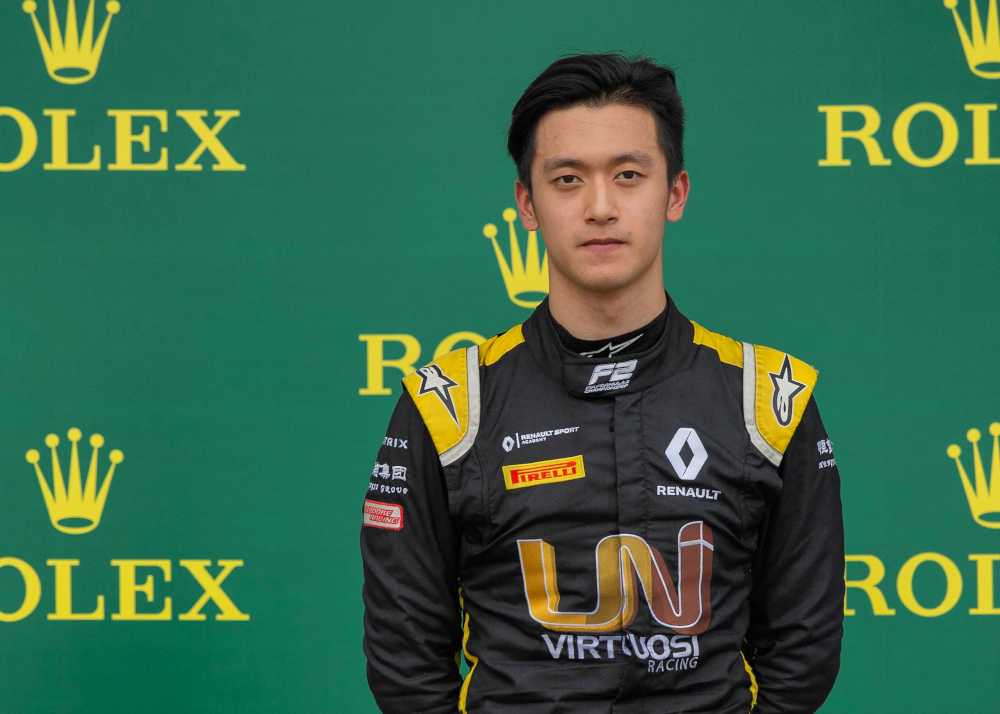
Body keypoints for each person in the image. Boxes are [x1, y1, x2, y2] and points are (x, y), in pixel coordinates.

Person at [361, 52, 844, 714]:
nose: (599, 207)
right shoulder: (447, 403)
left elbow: (804, 649)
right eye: (567, 179)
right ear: (527, 204)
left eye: (628, 175)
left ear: (675, 193)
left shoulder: (770, 398)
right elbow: (405, 659)